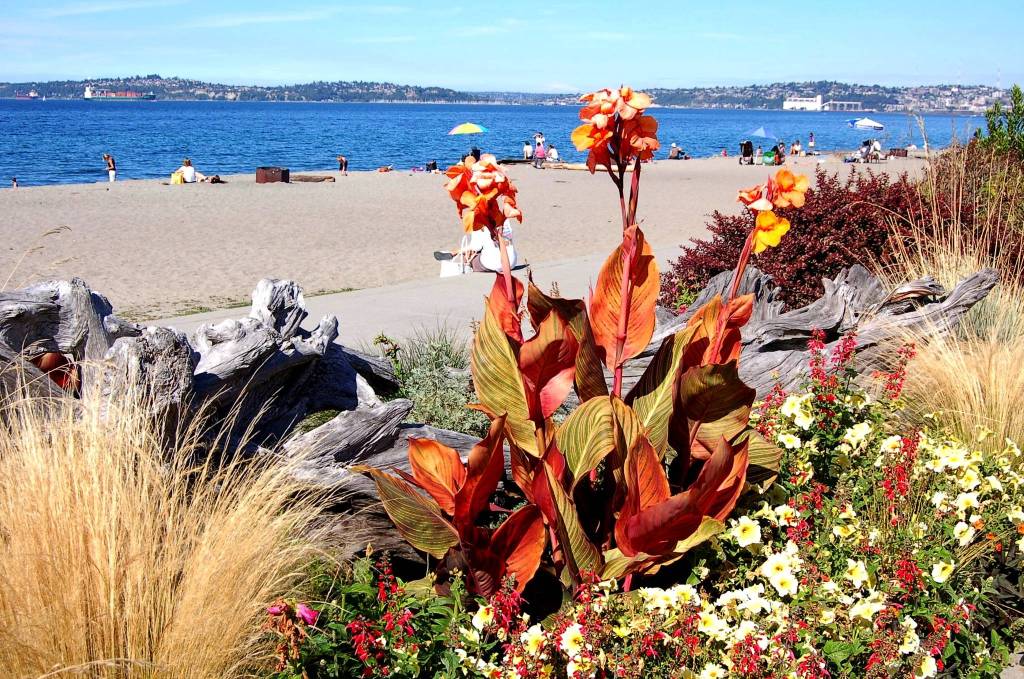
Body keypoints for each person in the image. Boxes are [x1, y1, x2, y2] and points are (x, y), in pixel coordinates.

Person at [435, 222, 518, 273]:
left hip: (494, 263)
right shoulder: (503, 216)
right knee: (484, 249)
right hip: (511, 262)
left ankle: (458, 257)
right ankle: (454, 253)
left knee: (471, 257)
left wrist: (457, 251)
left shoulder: (478, 219)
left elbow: (475, 247)